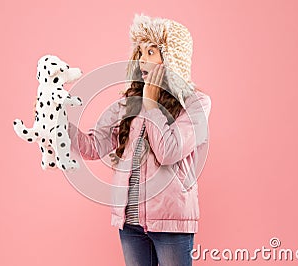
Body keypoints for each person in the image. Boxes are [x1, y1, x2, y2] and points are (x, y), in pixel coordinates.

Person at [68, 14, 211, 266]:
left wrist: (151, 104)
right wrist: (57, 123)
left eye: (151, 52)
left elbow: (169, 151)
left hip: (171, 223)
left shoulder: (196, 104)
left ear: (171, 58)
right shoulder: (127, 103)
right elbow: (94, 145)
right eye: (141, 52)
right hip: (129, 223)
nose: (142, 59)